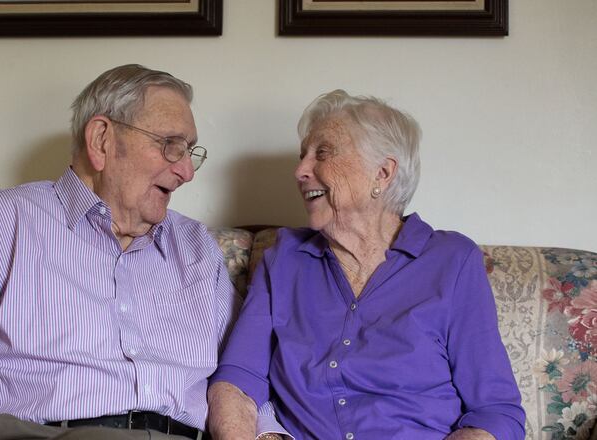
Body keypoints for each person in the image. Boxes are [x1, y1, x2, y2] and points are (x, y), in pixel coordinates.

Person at [0, 65, 286, 440]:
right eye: (170, 146)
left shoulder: (196, 249)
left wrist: (267, 434)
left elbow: (243, 377)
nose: (186, 170)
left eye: (190, 151)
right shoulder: (6, 222)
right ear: (102, 140)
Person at [208, 90, 526, 440]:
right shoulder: (285, 260)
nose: (300, 171)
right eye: (302, 157)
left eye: (322, 153)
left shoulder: (452, 261)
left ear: (383, 174)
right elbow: (236, 383)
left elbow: (495, 412)